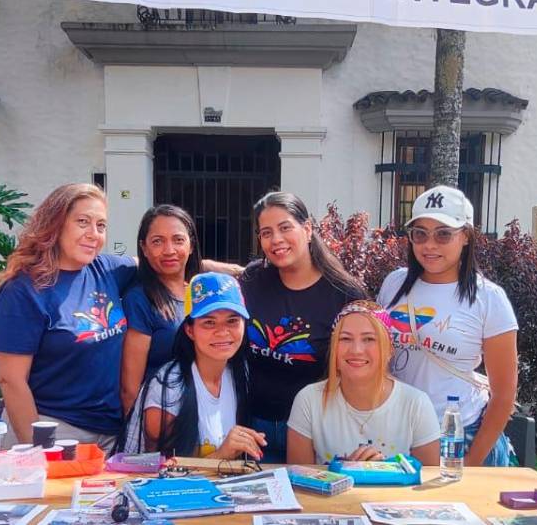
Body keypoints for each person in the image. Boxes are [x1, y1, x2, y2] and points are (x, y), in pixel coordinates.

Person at [378, 185, 519, 467]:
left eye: (443, 234)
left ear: (465, 236)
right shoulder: (394, 284)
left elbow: (504, 395)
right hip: (397, 433)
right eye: (420, 234)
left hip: (457, 435)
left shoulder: (489, 298)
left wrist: (474, 460)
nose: (430, 245)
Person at [0, 183, 136, 451]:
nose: (94, 234)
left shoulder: (108, 270)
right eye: (83, 222)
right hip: (51, 429)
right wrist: (39, 451)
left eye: (101, 226)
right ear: (55, 224)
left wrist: (228, 269)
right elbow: (11, 381)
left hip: (110, 433)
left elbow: (163, 262)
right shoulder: (24, 293)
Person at [241, 192, 366, 461]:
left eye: (285, 227)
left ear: (307, 229)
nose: (276, 240)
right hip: (254, 428)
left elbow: (365, 363)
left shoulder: (344, 294)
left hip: (318, 431)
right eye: (266, 232)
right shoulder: (253, 280)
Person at [123, 272, 265, 459]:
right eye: (209, 323)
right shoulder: (169, 388)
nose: (222, 332)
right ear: (190, 330)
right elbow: (161, 477)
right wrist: (222, 455)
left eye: (232, 321)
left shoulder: (239, 373)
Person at [287, 301, 441, 465]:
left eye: (369, 339)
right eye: (345, 338)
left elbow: (428, 484)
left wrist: (382, 473)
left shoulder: (416, 405)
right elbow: (298, 481)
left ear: (389, 349)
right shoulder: (308, 400)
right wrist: (344, 471)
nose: (356, 350)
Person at [120, 205, 201, 414]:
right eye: (157, 241)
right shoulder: (139, 299)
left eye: (178, 240)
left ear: (191, 245)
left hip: (203, 413)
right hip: (160, 419)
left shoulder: (202, 293)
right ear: (144, 248)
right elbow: (130, 388)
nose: (169, 250)